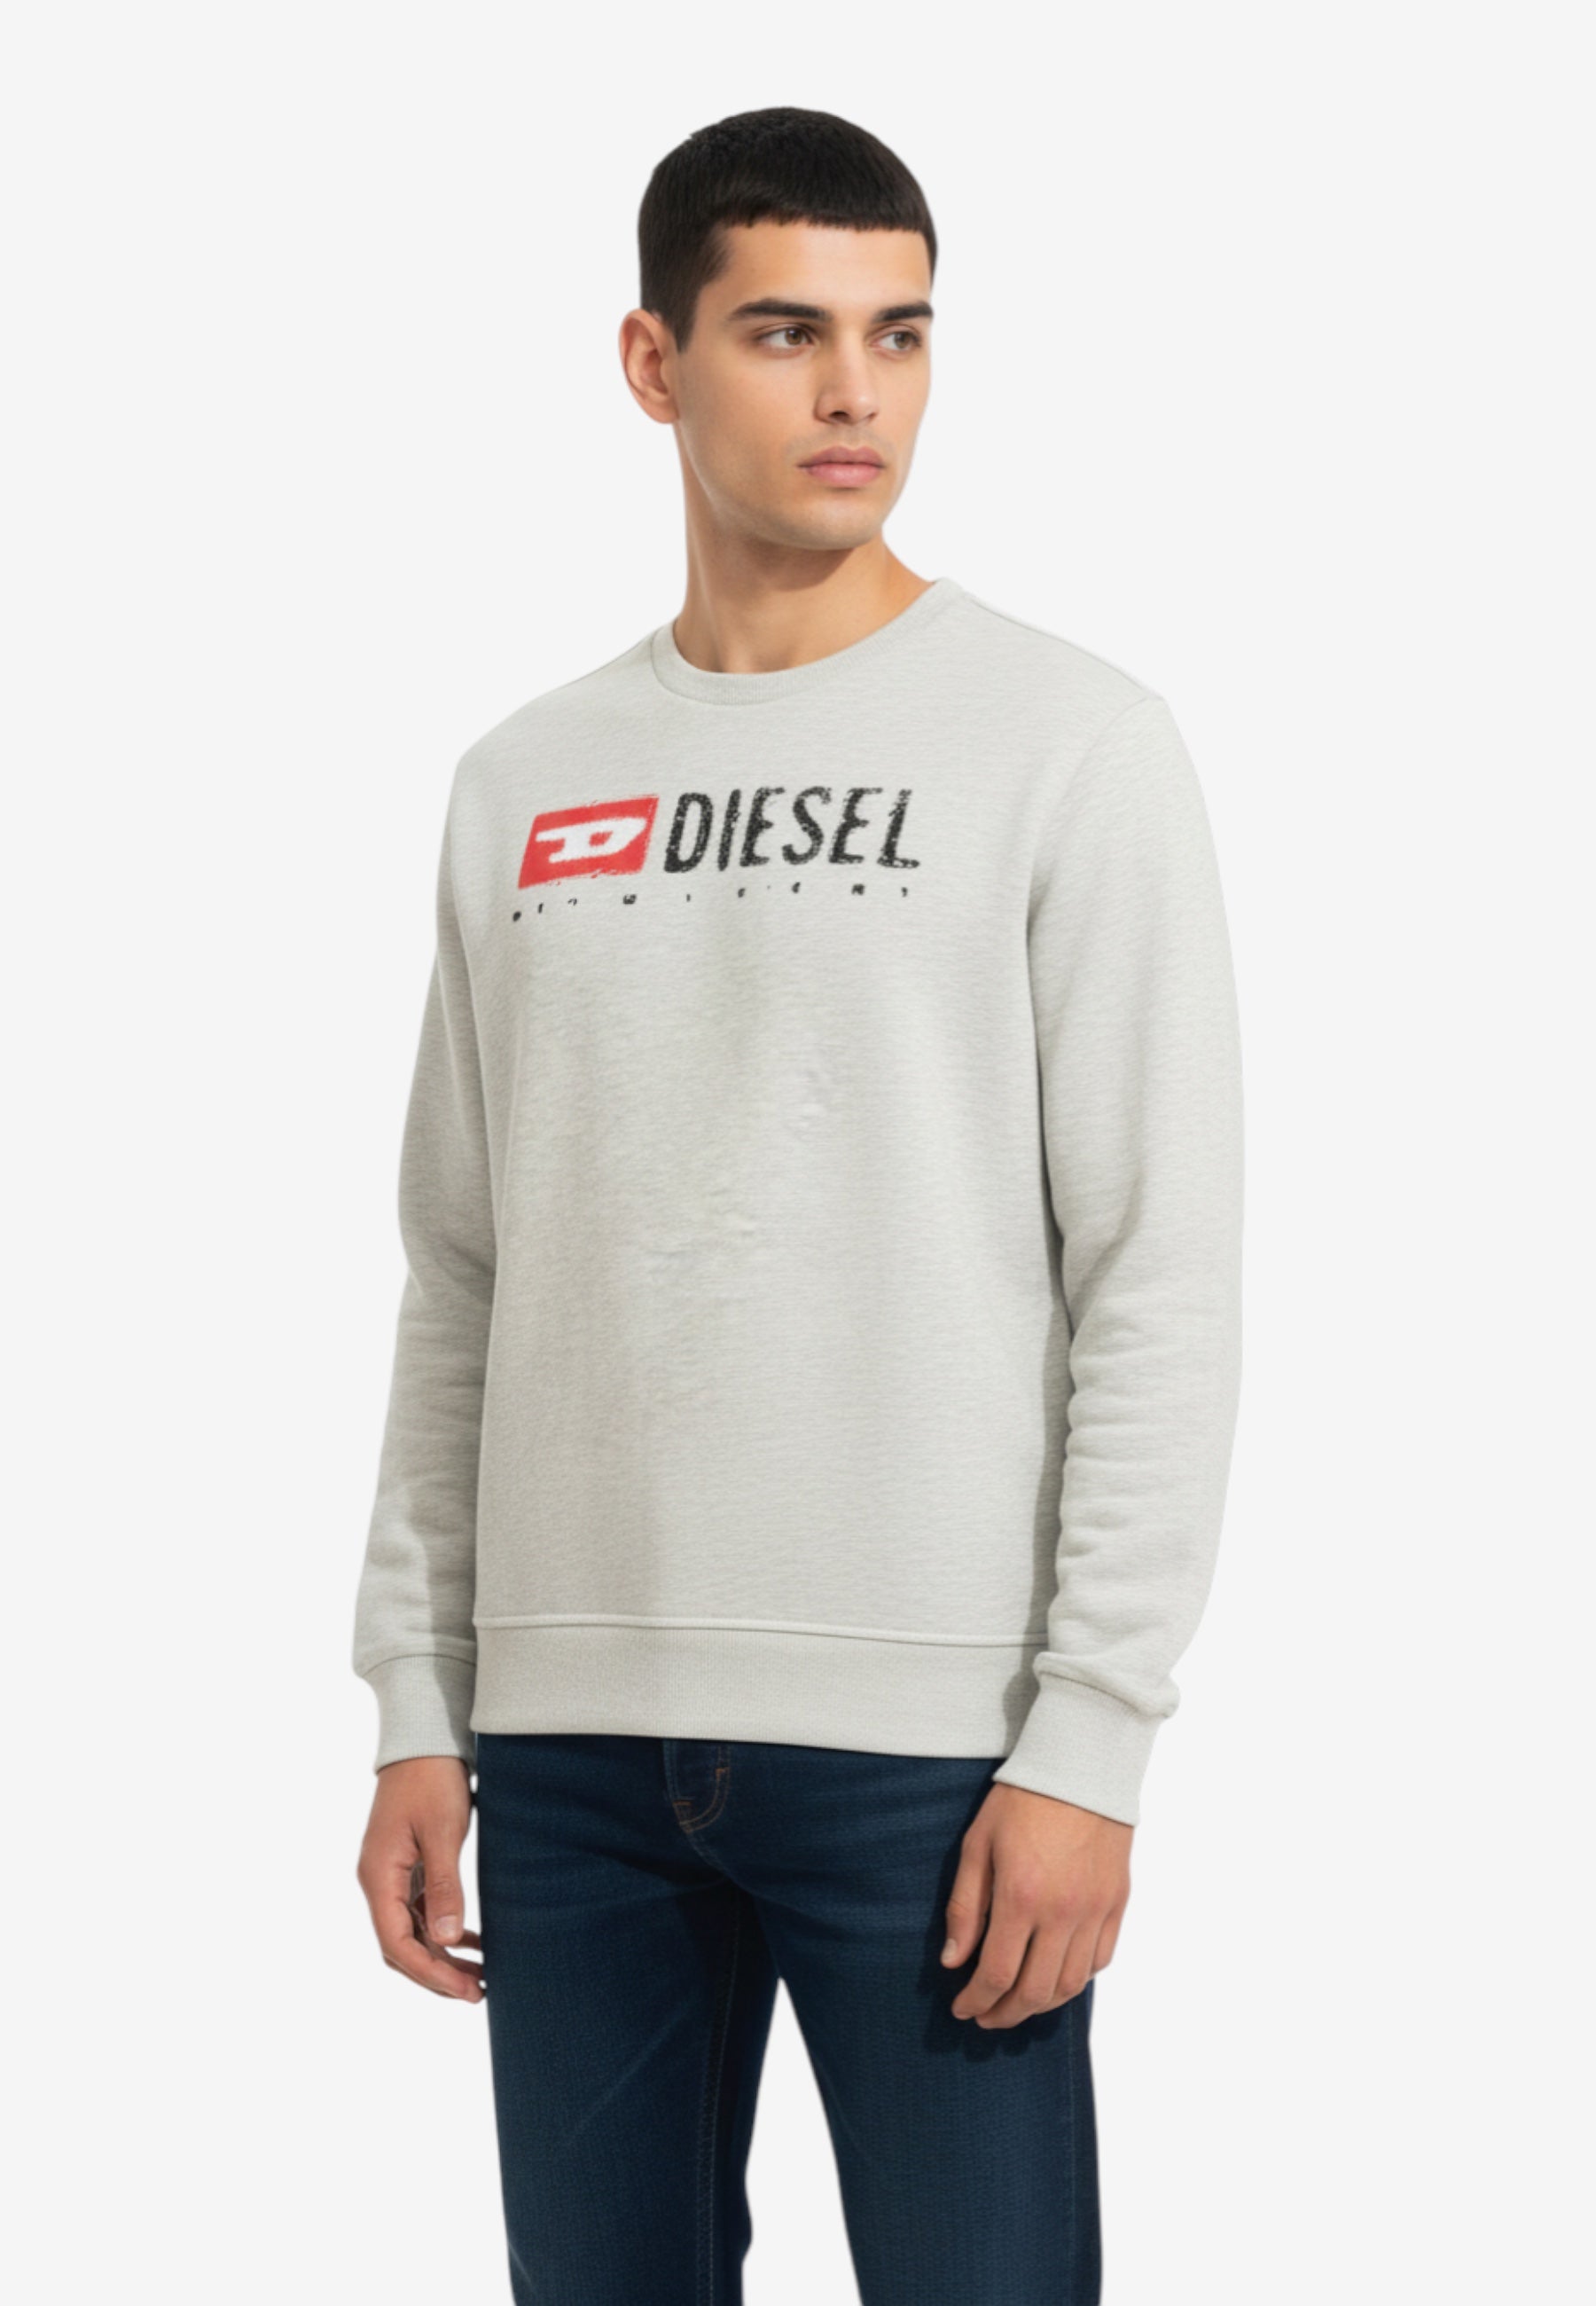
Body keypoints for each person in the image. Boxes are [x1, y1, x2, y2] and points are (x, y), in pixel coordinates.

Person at [352, 104, 1243, 2306]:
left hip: (934, 1756)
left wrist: (1093, 1736)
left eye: (899, 333)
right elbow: (463, 1267)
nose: (857, 392)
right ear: (653, 363)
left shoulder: (1067, 742)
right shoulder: (526, 781)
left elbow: (1158, 1268)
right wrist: (420, 1697)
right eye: (786, 332)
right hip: (565, 1748)